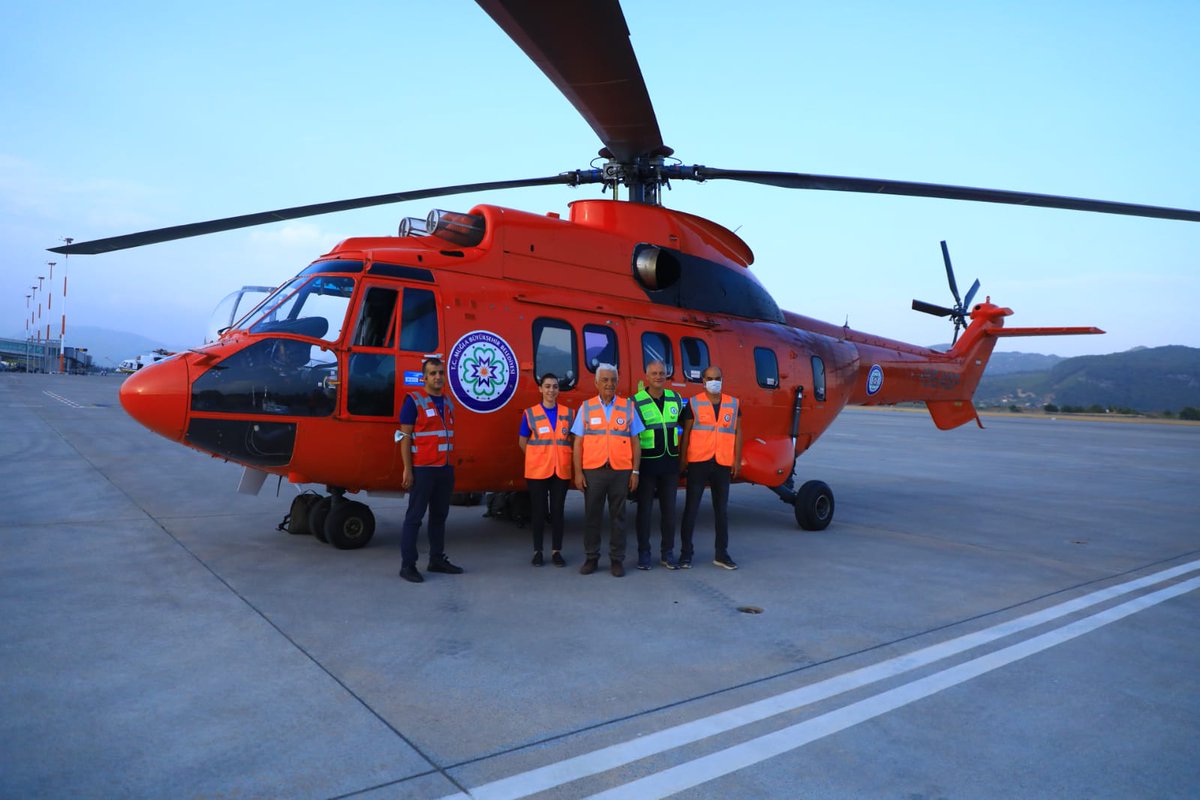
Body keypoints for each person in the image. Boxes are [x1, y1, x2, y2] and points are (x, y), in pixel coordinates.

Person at [570, 363, 644, 577]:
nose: (609, 384)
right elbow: (578, 444)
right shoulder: (586, 407)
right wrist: (578, 472)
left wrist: (635, 472)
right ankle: (591, 558)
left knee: (618, 517)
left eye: (612, 380)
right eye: (605, 380)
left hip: (620, 471)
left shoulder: (628, 407)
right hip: (593, 471)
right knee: (592, 516)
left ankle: (616, 560)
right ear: (596, 383)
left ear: (617, 382)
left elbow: (635, 442)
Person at [396, 357, 465, 583]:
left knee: (439, 516)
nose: (437, 377)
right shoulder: (414, 401)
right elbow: (404, 437)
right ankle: (408, 565)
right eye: (433, 373)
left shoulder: (448, 403)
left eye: (440, 373)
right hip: (423, 469)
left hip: (444, 470)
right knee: (414, 517)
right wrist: (408, 469)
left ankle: (436, 559)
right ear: (424, 377)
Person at [678, 365, 743, 570]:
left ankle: (721, 554)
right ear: (703, 381)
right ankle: (686, 554)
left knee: (721, 510)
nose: (714, 381)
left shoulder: (733, 404)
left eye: (717, 378)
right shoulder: (694, 403)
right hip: (699, 461)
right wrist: (683, 459)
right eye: (709, 378)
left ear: (722, 380)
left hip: (722, 462)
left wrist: (736, 459)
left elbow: (738, 432)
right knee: (691, 509)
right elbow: (686, 433)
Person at [632, 360, 684, 570]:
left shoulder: (676, 398)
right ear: (646, 375)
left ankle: (667, 553)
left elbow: (682, 426)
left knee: (669, 512)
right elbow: (633, 435)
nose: (658, 376)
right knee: (644, 512)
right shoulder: (635, 401)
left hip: (670, 463)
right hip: (647, 465)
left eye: (662, 373)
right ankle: (644, 554)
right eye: (654, 373)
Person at [518, 373, 573, 567]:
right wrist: (537, 456)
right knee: (539, 511)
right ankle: (538, 551)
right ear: (540, 389)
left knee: (558, 511)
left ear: (559, 390)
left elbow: (573, 440)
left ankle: (556, 551)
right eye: (547, 386)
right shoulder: (530, 413)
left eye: (555, 386)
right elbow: (522, 441)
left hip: (561, 470)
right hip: (537, 471)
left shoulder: (568, 413)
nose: (551, 390)